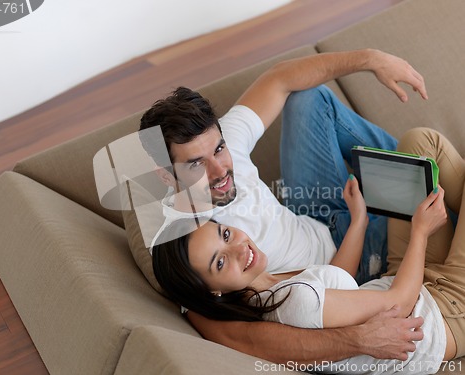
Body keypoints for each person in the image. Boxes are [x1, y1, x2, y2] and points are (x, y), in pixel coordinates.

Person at [139, 49, 428, 364]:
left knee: (309, 98)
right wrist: (356, 339)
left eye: (219, 149)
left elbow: (279, 79)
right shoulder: (183, 243)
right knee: (429, 197)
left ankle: (420, 173)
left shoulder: (214, 142)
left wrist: (372, 60)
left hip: (314, 214)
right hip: (343, 268)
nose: (220, 171)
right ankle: (425, 180)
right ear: (166, 176)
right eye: (196, 165)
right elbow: (237, 337)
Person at [152, 128, 465, 374]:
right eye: (220, 262)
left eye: (225, 234)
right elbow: (398, 305)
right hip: (447, 313)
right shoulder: (292, 301)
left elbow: (337, 279)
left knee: (418, 143)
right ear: (212, 292)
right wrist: (420, 233)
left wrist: (358, 220)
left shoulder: (262, 292)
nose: (238, 247)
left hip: (405, 283)